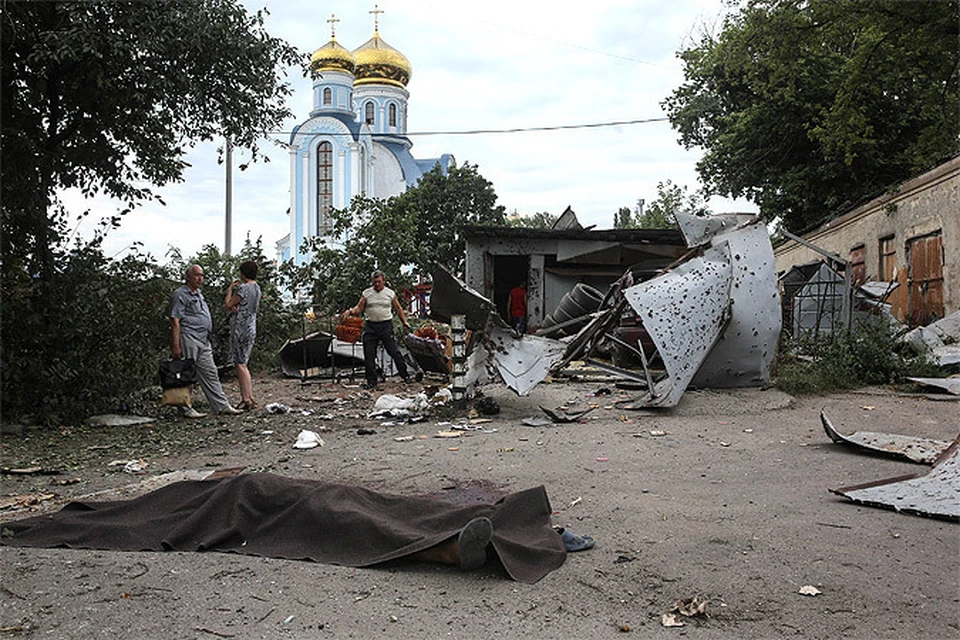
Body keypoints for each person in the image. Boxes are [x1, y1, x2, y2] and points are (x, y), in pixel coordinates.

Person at [1, 473, 592, 584]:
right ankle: (444, 553)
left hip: (289, 491)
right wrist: (230, 485)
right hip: (256, 505)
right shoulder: (198, 495)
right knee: (340, 523)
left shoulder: (226, 479)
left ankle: (450, 537)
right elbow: (169, 516)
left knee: (371, 504)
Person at [169, 265, 242, 417]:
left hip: (203, 338)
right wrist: (176, 345)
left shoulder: (199, 293)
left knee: (211, 372)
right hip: (189, 336)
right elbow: (175, 320)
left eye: (202, 275)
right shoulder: (180, 294)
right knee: (186, 373)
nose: (200, 278)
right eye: (196, 275)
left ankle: (221, 406)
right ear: (188, 276)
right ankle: (185, 409)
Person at [342, 269, 411, 389]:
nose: (377, 285)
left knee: (394, 351)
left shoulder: (390, 293)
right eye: (375, 282)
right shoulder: (367, 293)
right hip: (370, 326)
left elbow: (398, 308)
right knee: (369, 355)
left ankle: (405, 375)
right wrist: (350, 311)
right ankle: (372, 381)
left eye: (379, 282)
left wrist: (404, 321)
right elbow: (359, 308)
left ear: (384, 281)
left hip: (386, 326)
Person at [224, 260, 262, 411]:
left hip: (240, 328)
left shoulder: (243, 288)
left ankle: (246, 398)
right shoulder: (257, 288)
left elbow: (228, 304)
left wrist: (230, 289)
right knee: (243, 363)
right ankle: (249, 396)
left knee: (239, 364)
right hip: (251, 326)